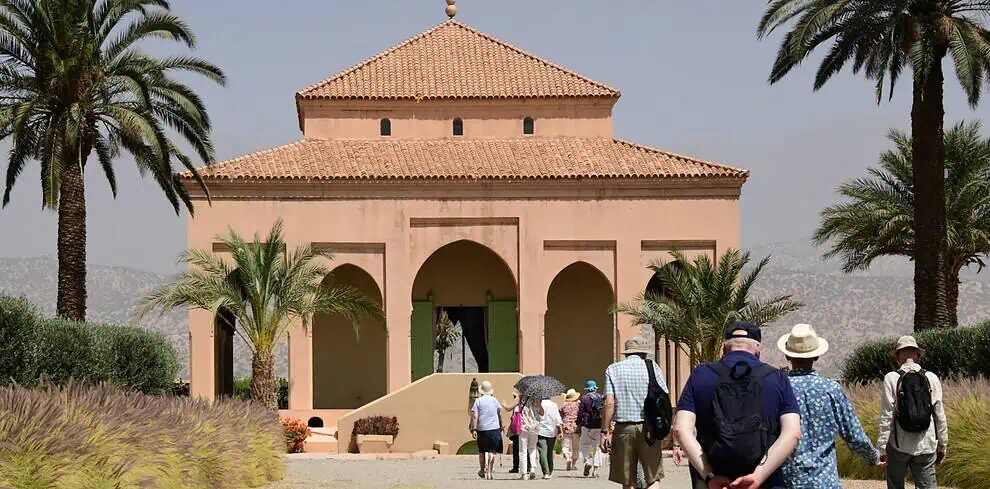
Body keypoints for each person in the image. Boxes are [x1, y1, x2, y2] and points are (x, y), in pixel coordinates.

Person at [673, 322, 802, 489]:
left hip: (714, 482)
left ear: (724, 347)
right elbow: (793, 432)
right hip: (764, 482)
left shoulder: (700, 375)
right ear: (758, 349)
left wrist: (710, 476)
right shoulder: (776, 378)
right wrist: (758, 476)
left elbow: (681, 429)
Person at [777, 324, 882, 489]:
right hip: (824, 481)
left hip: (787, 480)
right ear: (817, 356)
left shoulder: (780, 388)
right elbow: (853, 434)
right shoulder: (831, 389)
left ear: (787, 356)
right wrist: (873, 456)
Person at [877, 336, 948, 489]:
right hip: (926, 445)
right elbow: (940, 416)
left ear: (897, 357)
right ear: (918, 356)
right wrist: (942, 446)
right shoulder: (931, 378)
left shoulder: (891, 378)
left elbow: (886, 415)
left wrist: (882, 447)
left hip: (898, 445)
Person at [600, 336, 669, 489]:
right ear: (643, 353)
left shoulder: (613, 369)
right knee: (653, 478)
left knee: (627, 480)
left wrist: (605, 431)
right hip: (649, 428)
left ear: (627, 353)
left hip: (623, 428)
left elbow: (609, 403)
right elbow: (664, 395)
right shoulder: (653, 367)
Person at [470, 380, 504, 480]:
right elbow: (499, 414)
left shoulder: (478, 401)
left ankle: (482, 469)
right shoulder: (495, 400)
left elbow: (475, 416)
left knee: (482, 451)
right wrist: (501, 426)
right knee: (492, 452)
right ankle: (489, 472)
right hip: (494, 429)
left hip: (482, 429)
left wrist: (474, 429)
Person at [577, 379, 605, 477]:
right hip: (598, 425)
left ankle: (587, 461)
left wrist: (578, 423)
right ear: (595, 388)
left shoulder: (584, 398)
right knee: (597, 447)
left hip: (587, 425)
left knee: (584, 444)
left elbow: (580, 413)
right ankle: (595, 470)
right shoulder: (601, 397)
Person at [518, 394, 543, 480]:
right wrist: (538, 404)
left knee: (523, 450)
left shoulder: (521, 397)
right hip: (535, 427)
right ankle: (533, 468)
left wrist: (504, 405)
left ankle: (524, 473)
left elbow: (510, 408)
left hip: (524, 427)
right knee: (532, 448)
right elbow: (542, 413)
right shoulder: (537, 398)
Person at [537, 397, 563, 479]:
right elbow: (557, 418)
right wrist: (560, 430)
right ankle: (550, 470)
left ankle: (546, 472)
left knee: (542, 452)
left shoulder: (538, 404)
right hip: (551, 431)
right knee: (549, 451)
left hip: (540, 431)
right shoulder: (554, 405)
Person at [501, 391, 523, 474]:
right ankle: (527, 466)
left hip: (518, 427)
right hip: (525, 426)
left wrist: (504, 404)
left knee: (516, 447)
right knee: (524, 447)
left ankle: (516, 466)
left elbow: (508, 408)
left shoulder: (518, 399)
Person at [560, 389, 581, 471]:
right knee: (576, 447)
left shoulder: (564, 405)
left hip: (566, 427)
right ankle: (573, 464)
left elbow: (561, 415)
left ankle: (568, 458)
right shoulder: (578, 404)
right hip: (576, 427)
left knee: (565, 446)